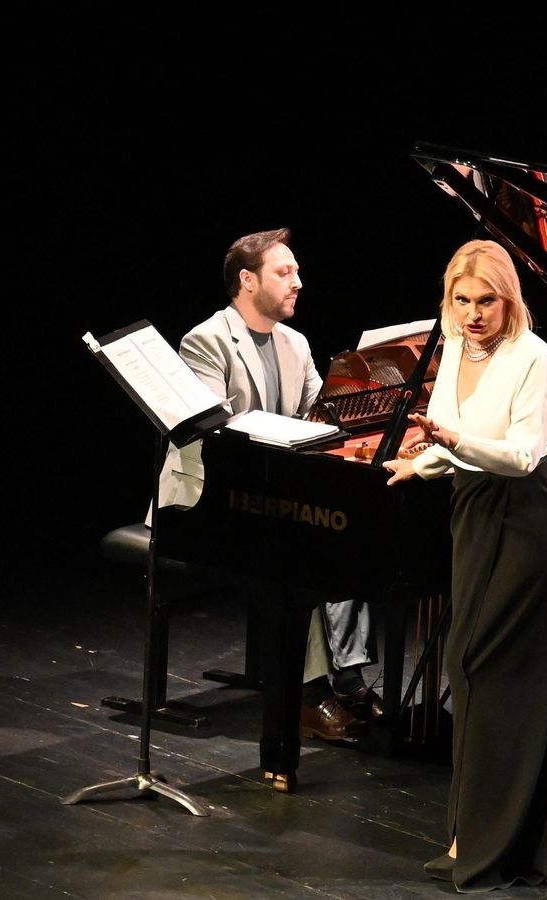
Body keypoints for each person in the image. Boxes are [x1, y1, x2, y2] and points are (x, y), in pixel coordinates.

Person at [383, 239, 547, 891]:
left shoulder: (534, 358)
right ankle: (472, 832)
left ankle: (501, 841)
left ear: (509, 301)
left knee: (492, 670)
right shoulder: (454, 347)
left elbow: (522, 455)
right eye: (462, 300)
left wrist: (451, 443)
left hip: (531, 522)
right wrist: (421, 463)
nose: (473, 313)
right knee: (468, 668)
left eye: (486, 301)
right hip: (475, 513)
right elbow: (451, 433)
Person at [155, 227, 382, 741]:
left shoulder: (296, 344)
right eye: (285, 272)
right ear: (247, 280)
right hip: (206, 496)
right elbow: (211, 433)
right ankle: (309, 696)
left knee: (351, 540)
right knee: (299, 555)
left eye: (297, 271)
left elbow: (319, 419)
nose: (298, 282)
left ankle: (347, 680)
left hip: (270, 492)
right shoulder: (207, 340)